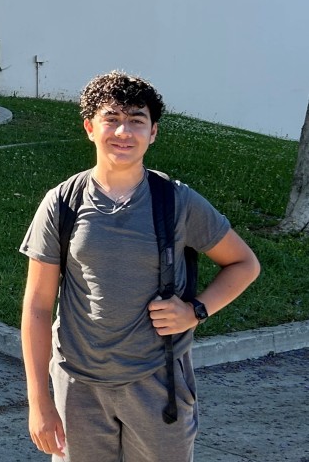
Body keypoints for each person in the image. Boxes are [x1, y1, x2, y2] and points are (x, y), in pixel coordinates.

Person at [19, 71, 260, 461]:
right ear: (90, 128)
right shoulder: (63, 203)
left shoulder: (177, 202)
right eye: (112, 119)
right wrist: (39, 402)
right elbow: (37, 306)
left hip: (158, 384)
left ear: (153, 132)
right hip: (77, 386)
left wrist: (196, 311)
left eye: (136, 120)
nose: (123, 131)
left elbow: (244, 263)